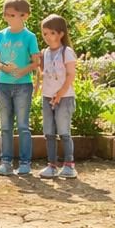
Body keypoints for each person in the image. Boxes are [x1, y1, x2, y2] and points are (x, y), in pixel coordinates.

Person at [0, 0, 40, 177]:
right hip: (3, 84)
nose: (8, 18)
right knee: (5, 126)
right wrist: (1, 66)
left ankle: (25, 163)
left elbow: (36, 62)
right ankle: (6, 162)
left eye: (12, 15)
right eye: (6, 15)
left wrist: (23, 71)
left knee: (23, 125)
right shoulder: (0, 35)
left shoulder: (30, 37)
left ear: (24, 16)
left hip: (23, 86)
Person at [37, 14, 78, 179]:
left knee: (64, 132)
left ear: (61, 34)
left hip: (64, 97)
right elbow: (44, 73)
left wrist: (60, 94)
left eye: (51, 33)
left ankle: (69, 164)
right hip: (47, 97)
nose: (47, 37)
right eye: (44, 34)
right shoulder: (45, 52)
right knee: (49, 132)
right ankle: (52, 165)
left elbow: (70, 75)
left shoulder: (66, 52)